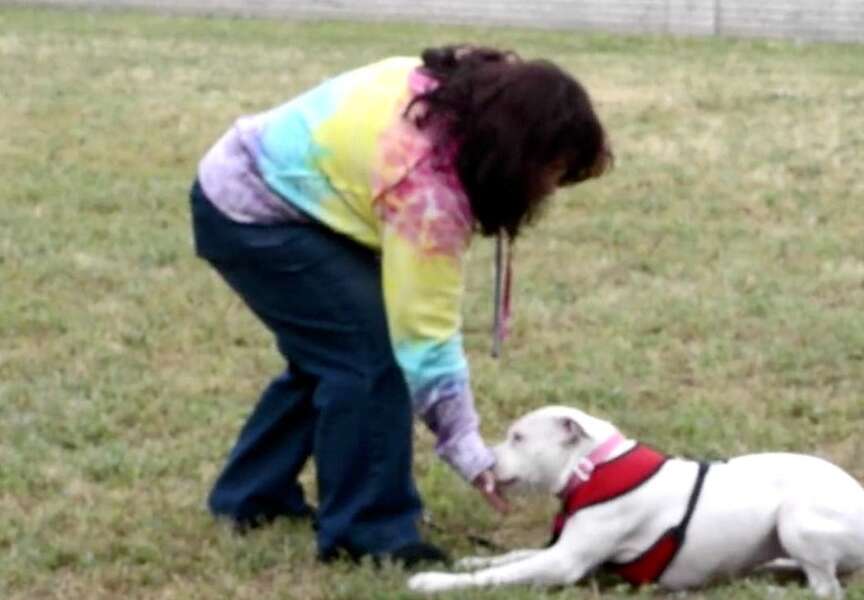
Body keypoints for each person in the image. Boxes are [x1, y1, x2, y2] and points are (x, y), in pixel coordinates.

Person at [188, 45, 611, 564]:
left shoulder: (449, 93)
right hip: (251, 210)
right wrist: (467, 448)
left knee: (333, 351)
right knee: (371, 358)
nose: (549, 187)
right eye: (549, 169)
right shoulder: (428, 195)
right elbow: (424, 343)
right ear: (514, 153)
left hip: (276, 187)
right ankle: (367, 533)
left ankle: (253, 498)